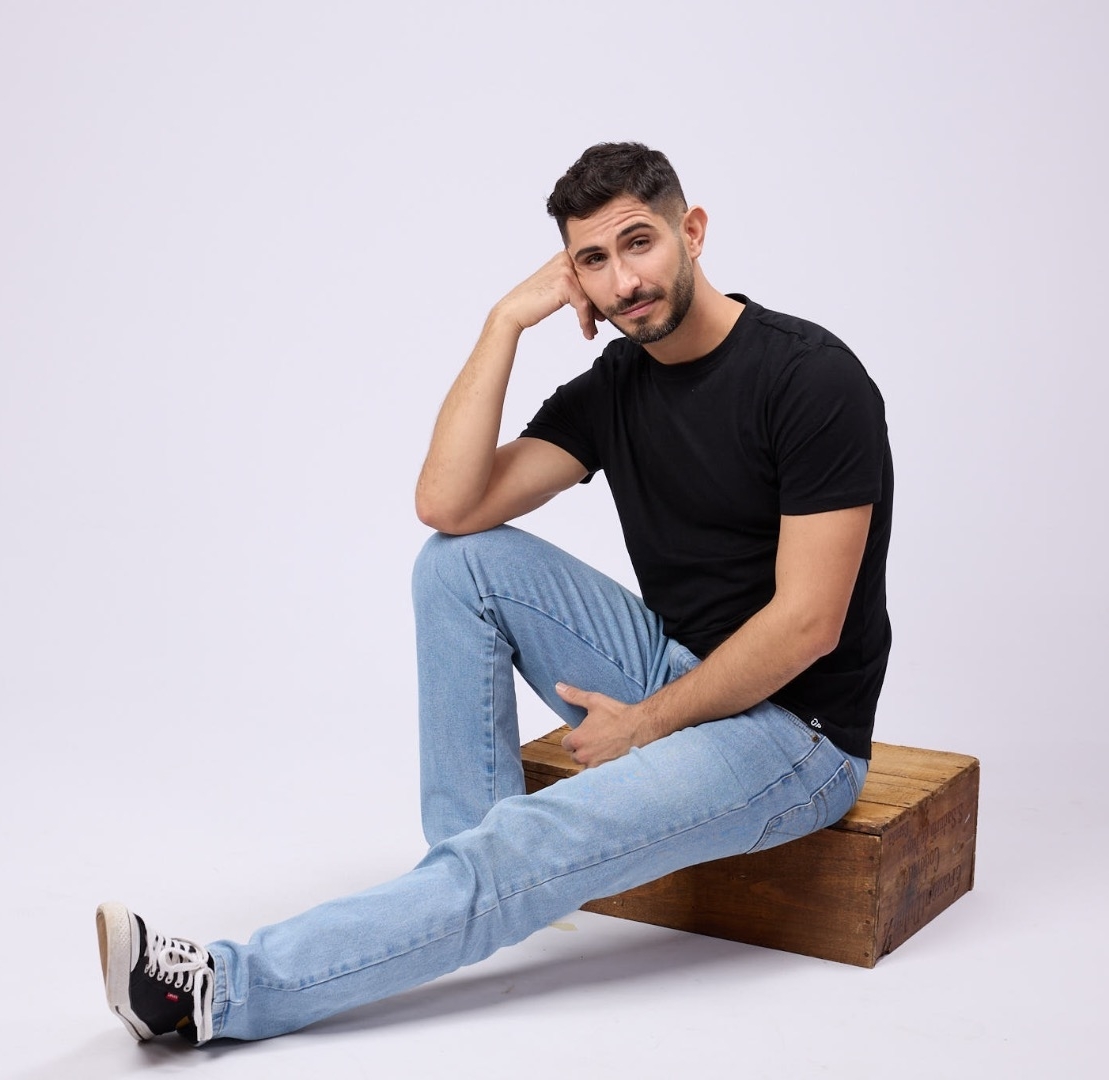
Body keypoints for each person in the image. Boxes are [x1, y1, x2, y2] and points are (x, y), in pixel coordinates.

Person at [96, 141, 893, 1045]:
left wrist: (645, 724)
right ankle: (475, 875)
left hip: (795, 735)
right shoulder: (618, 385)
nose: (625, 281)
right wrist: (505, 321)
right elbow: (450, 504)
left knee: (532, 841)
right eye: (594, 260)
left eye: (639, 243)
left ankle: (219, 992)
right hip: (678, 667)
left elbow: (807, 625)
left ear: (693, 231)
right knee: (455, 563)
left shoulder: (811, 379)